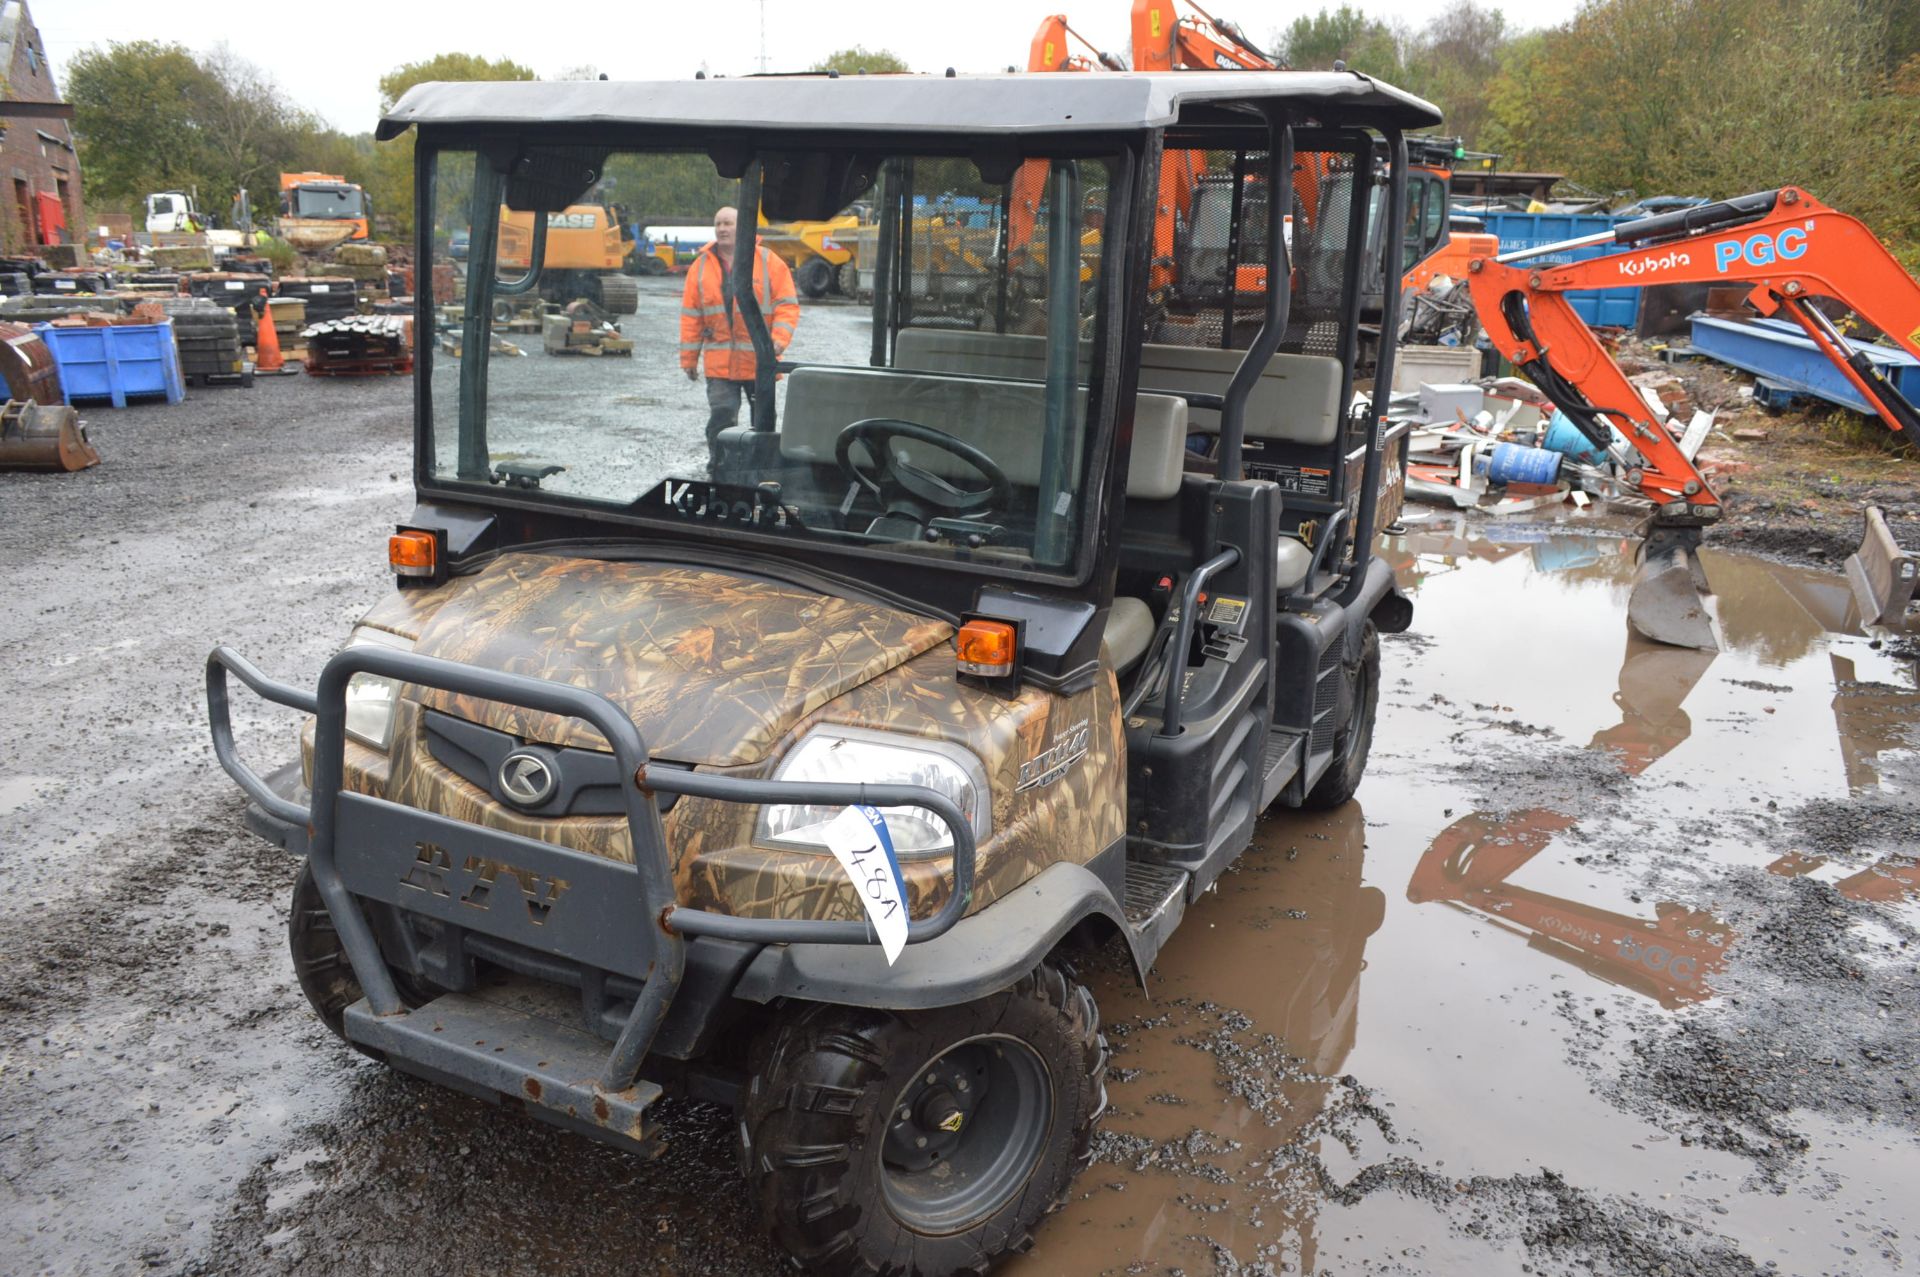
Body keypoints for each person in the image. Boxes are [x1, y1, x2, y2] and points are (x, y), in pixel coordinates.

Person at [679, 206, 800, 472]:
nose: (722, 229)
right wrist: (689, 359)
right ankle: (721, 466)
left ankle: (762, 467)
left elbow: (787, 304)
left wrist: (778, 340)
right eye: (718, 223)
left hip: (760, 361)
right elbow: (692, 316)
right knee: (722, 416)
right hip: (720, 363)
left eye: (728, 224)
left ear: (742, 227)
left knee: (763, 420)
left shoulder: (769, 261)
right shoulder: (700, 267)